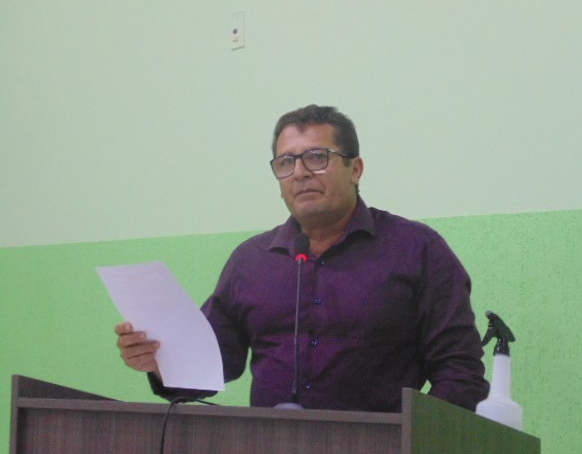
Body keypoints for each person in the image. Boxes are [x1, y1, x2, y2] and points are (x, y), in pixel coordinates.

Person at [115, 104, 489, 412]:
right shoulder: (250, 262)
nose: (300, 173)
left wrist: (417, 440)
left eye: (317, 158)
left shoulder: (417, 250)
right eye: (286, 162)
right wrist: (159, 363)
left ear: (355, 169)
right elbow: (211, 367)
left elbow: (460, 372)